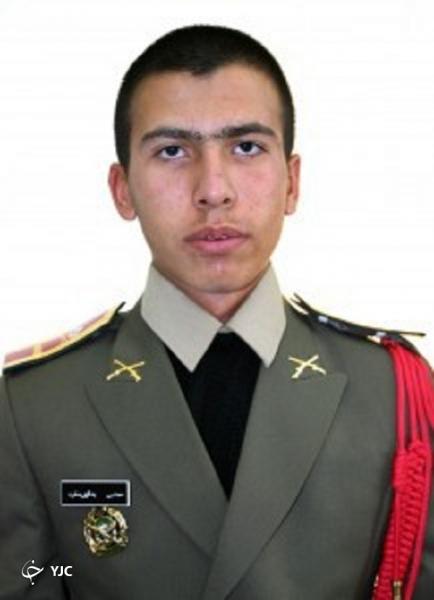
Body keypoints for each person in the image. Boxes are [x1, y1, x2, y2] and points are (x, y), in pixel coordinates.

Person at [0, 24, 432, 600]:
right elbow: (32, 578)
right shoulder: (31, 408)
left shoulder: (394, 392)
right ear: (122, 189)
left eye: (246, 147)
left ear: (291, 183)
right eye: (172, 151)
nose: (213, 189)